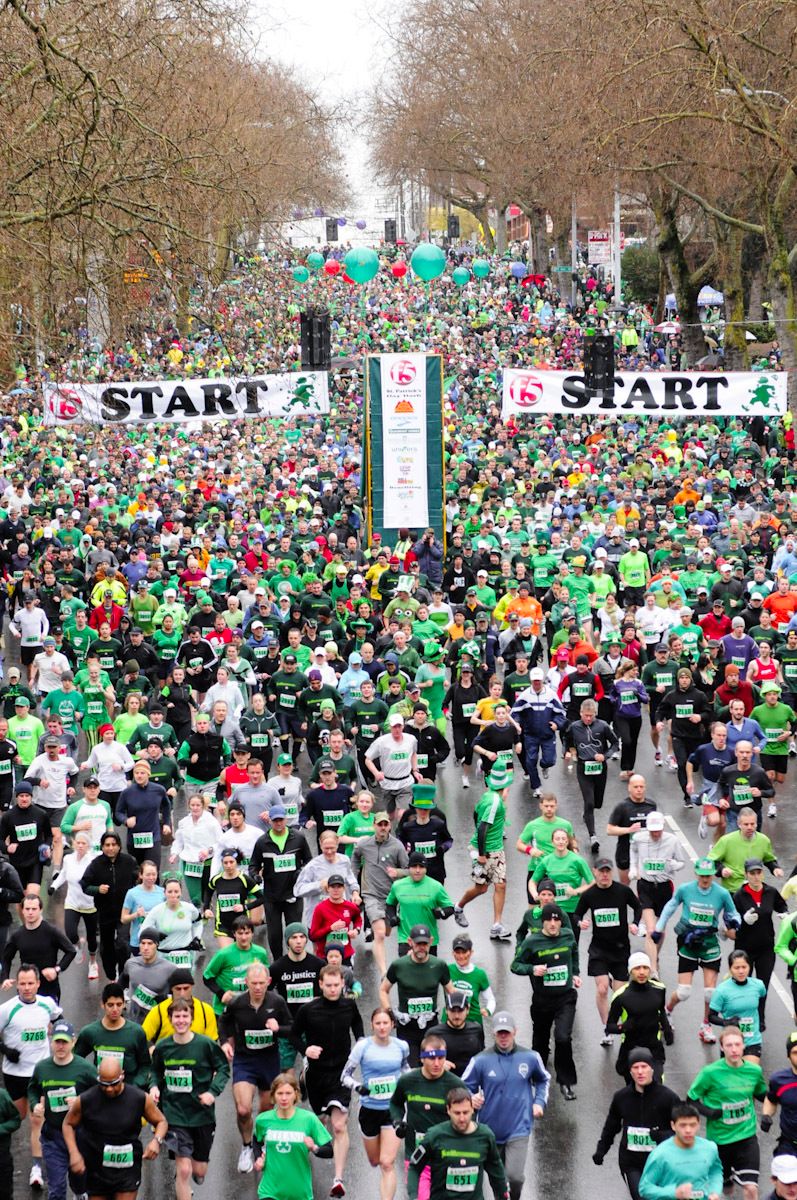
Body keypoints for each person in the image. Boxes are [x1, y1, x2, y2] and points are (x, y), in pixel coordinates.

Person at [290, 962, 365, 1199]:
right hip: (316, 1074)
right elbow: (293, 1035)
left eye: (337, 985)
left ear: (343, 984)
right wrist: (306, 1049)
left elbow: (358, 1026)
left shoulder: (349, 1005)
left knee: (340, 1125)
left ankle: (338, 1179)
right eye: (328, 985)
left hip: (341, 1074)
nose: (333, 989)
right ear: (320, 984)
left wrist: (362, 1044)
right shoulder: (308, 1009)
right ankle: (309, 1147)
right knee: (320, 1120)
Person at [461, 1010, 549, 1200]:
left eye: (506, 1033)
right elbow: (461, 1087)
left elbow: (543, 1080)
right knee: (497, 1179)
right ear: (493, 1033)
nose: (503, 1037)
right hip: (490, 1129)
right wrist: (471, 1098)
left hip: (519, 1127)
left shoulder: (530, 1057)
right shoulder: (480, 1060)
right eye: (500, 1033)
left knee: (514, 1177)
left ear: (514, 1032)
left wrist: (539, 1102)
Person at [149, 997, 230, 1200]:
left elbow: (223, 1068)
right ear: (170, 1018)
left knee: (199, 1171)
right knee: (183, 1169)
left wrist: (212, 1092)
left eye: (185, 1016)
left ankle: (198, 1169)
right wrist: (153, 1087)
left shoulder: (205, 1045)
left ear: (191, 1018)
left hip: (202, 1115)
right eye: (177, 1016)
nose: (181, 1020)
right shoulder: (163, 1047)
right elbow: (155, 1072)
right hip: (174, 1114)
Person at [653, 857, 740, 1043]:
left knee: (710, 992)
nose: (705, 879)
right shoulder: (685, 889)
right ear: (696, 874)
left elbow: (733, 913)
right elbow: (670, 907)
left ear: (712, 875)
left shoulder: (722, 893)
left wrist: (735, 922)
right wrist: (658, 927)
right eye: (702, 875)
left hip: (709, 942)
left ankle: (706, 1025)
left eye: (708, 876)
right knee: (684, 991)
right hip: (689, 941)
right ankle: (667, 1010)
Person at [218, 961, 292, 1172]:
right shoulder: (237, 1003)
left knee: (266, 1110)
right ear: (246, 982)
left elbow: (292, 1027)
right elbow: (223, 1022)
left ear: (268, 982)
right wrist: (225, 1042)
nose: (258, 987)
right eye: (254, 983)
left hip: (269, 1061)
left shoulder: (277, 1002)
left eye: (262, 983)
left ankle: (260, 1145)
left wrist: (279, 1028)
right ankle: (246, 1146)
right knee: (243, 1109)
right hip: (245, 1060)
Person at [62, 1055, 168, 1200]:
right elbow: (67, 1124)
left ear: (122, 1075)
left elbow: (161, 1121)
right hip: (97, 1169)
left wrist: (156, 1141)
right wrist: (74, 1153)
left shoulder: (138, 1098)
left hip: (127, 1169)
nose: (109, 1089)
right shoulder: (86, 1100)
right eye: (104, 1084)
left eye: (114, 1083)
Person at [687, 1025, 767, 1200]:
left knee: (751, 1187)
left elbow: (763, 1094)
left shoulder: (754, 1071)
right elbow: (690, 1099)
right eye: (729, 1045)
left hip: (747, 1136)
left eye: (737, 1044)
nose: (734, 1049)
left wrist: (781, 1097)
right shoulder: (710, 1073)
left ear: (743, 1046)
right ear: (722, 1047)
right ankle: (727, 1183)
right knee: (726, 1188)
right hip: (720, 1140)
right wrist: (709, 1112)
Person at [0, 964, 62, 1188]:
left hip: (39, 1073)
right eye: (22, 984)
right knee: (17, 1119)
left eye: (30, 983)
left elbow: (59, 1018)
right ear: (17, 984)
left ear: (38, 983)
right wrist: (6, 1050)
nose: (26, 988)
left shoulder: (47, 1003)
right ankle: (5, 1159)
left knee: (38, 1119)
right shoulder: (7, 1009)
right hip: (14, 1073)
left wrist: (58, 1035)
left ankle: (36, 1168)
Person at [510, 903, 580, 1100]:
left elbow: (574, 952)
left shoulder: (567, 935)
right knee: (540, 1040)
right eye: (549, 919)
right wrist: (532, 969)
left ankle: (566, 1082)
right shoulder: (532, 941)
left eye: (556, 919)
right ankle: (538, 1075)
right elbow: (515, 965)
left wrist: (575, 973)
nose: (552, 923)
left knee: (563, 1037)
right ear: (543, 922)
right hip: (542, 999)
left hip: (565, 997)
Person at [593, 1046, 680, 1200]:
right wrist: (601, 1149)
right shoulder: (621, 1097)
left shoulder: (668, 1097)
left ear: (652, 1069)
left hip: (659, 1162)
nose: (640, 1072)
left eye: (644, 1067)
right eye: (635, 1067)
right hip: (631, 1163)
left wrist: (661, 1135)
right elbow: (611, 1126)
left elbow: (683, 1129)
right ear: (630, 1071)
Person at [342, 1008, 410, 1200]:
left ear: (392, 1024)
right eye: (378, 1023)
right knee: (374, 1160)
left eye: (385, 1023)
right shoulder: (363, 1047)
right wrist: (358, 1087)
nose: (382, 1027)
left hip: (393, 1110)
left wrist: (411, 1084)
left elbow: (405, 1068)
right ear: (372, 1025)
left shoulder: (401, 1046)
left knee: (387, 1162)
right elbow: (345, 1076)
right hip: (369, 1110)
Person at [389, 1033, 464, 1200]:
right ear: (422, 1058)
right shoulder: (408, 1081)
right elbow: (395, 1103)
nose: (437, 1064)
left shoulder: (455, 1085)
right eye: (431, 1058)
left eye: (441, 1058)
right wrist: (397, 1121)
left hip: (445, 1156)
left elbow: (467, 1117)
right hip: (416, 1155)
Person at [28, 1019, 95, 1200]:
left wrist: (82, 1101)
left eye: (65, 1042)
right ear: (51, 1042)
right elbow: (33, 1088)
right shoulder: (42, 1068)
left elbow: (101, 1095)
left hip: (79, 1134)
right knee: (56, 1188)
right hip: (53, 1136)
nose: (61, 1046)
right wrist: (36, 1105)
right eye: (57, 1041)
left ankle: (80, 1193)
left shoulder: (86, 1069)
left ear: (73, 1042)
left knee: (79, 1183)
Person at [575, 857, 642, 1037]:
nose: (604, 875)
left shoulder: (623, 891)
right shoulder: (589, 894)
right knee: (603, 988)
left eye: (607, 871)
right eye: (601, 871)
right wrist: (581, 922)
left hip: (620, 949)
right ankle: (607, 1027)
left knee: (619, 993)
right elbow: (576, 914)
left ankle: (617, 1022)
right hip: (599, 950)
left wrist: (635, 923)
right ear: (594, 872)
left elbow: (637, 907)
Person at [406, 1085, 508, 1200]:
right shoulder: (434, 1136)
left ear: (472, 1109)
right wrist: (414, 1196)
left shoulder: (485, 1136)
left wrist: (503, 1194)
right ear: (448, 1110)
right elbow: (414, 1167)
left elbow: (496, 1172)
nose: (462, 1118)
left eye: (466, 1112)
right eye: (457, 1113)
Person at [453, 765, 512, 941]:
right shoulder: (494, 802)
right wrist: (481, 853)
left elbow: (475, 814)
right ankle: (459, 907)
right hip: (486, 851)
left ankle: (497, 925)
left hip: (497, 849)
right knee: (482, 888)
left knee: (500, 884)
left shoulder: (489, 797)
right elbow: (483, 826)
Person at [252, 1072, 333, 1200]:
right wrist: (258, 1158)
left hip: (299, 1192)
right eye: (280, 1093)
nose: (284, 1098)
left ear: (296, 1094)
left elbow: (330, 1151)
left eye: (288, 1093)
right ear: (273, 1095)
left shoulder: (308, 1119)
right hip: (270, 1191)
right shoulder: (263, 1120)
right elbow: (257, 1140)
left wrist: (314, 1148)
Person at [380, 926, 453, 1066]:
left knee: (432, 1066)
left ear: (431, 942)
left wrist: (452, 1015)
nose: (421, 947)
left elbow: (451, 991)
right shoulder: (399, 965)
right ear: (410, 942)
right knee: (411, 1069)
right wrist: (389, 1012)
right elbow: (383, 990)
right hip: (407, 1027)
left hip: (431, 1027)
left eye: (424, 944)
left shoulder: (439, 965)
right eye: (418, 943)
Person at [250, 804, 313, 958]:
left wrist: (300, 872)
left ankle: (295, 960)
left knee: (295, 932)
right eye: (275, 820)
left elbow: (309, 862)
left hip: (293, 894)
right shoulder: (262, 842)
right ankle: (278, 961)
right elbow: (253, 865)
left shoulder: (298, 837)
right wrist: (255, 876)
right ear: (270, 821)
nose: (278, 823)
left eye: (281, 820)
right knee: (274, 934)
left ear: (286, 819)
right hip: (272, 896)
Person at [352, 811, 409, 977]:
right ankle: (384, 972)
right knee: (380, 933)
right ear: (374, 826)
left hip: (391, 897)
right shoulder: (364, 844)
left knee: (386, 932)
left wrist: (397, 872)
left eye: (386, 824)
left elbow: (409, 870)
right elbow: (355, 858)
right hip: (370, 894)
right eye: (380, 824)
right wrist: (354, 877)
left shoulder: (397, 846)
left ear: (390, 826)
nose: (383, 828)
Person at [629, 811, 686, 973]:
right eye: (652, 830)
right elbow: (632, 850)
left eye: (658, 830)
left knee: (659, 930)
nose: (655, 833)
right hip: (645, 886)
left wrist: (671, 865)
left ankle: (655, 956)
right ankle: (652, 969)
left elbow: (682, 862)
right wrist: (634, 868)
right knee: (650, 929)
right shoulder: (639, 838)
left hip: (664, 887)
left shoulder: (672, 840)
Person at [81, 832, 140, 982]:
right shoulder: (96, 864)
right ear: (102, 847)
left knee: (123, 944)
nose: (111, 848)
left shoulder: (129, 861)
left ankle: (123, 976)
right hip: (104, 912)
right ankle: (111, 976)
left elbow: (138, 881)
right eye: (107, 845)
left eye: (114, 845)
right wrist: (97, 889)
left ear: (119, 846)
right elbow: (84, 885)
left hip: (124, 912)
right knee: (107, 947)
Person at [563, 697, 619, 853]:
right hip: (583, 768)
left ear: (595, 713)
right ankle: (593, 836)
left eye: (591, 715)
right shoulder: (574, 727)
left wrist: (605, 756)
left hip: (600, 768)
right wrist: (567, 752)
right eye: (585, 715)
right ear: (580, 713)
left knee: (597, 803)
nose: (588, 718)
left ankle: (587, 814)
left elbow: (615, 744)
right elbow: (566, 741)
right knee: (589, 802)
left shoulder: (603, 726)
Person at [606, 952, 673, 1082]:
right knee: (635, 1091)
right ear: (631, 971)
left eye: (645, 967)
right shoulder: (621, 996)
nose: (642, 972)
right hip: (631, 1048)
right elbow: (610, 1026)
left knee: (657, 1085)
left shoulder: (659, 989)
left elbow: (661, 1011)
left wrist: (667, 1028)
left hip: (653, 1047)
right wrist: (623, 1027)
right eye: (637, 968)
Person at [639, 1100, 723, 1200]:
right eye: (683, 1125)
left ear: (699, 1124)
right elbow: (644, 1188)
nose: (688, 1130)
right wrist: (674, 1193)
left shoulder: (709, 1148)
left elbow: (716, 1172)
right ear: (673, 1126)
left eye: (692, 1125)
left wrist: (714, 1191)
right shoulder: (660, 1154)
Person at [74, 982, 151, 1088]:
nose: (115, 1009)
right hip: (101, 1091)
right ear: (102, 1004)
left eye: (119, 1004)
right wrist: (89, 1082)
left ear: (124, 1004)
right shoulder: (90, 1032)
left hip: (129, 1092)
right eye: (110, 1005)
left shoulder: (136, 1032)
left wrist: (135, 1086)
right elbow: (75, 1060)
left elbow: (145, 1066)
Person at [0, 892, 75, 1000]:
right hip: (26, 989)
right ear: (22, 911)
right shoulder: (17, 935)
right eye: (27, 909)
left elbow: (71, 951)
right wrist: (5, 978)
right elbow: (6, 958)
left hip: (49, 989)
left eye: (34, 909)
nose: (30, 912)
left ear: (40, 910)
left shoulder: (51, 931)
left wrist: (56, 970)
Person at [385, 855, 454, 954]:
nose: (417, 870)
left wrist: (442, 913)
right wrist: (392, 917)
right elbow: (390, 904)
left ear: (426, 868)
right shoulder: (398, 886)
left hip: (429, 940)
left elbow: (450, 907)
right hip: (406, 939)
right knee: (406, 969)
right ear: (409, 868)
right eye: (414, 867)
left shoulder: (436, 886)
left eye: (421, 867)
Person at [202, 915, 270, 1015]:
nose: (244, 937)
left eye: (247, 933)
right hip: (225, 1009)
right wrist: (222, 994)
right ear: (234, 934)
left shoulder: (260, 953)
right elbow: (207, 977)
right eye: (240, 933)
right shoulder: (224, 954)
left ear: (252, 933)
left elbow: (266, 978)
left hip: (250, 1008)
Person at [709, 949, 767, 1061]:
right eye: (736, 968)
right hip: (731, 1041)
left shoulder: (758, 985)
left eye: (744, 967)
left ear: (749, 967)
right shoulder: (722, 990)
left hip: (752, 1040)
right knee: (731, 1077)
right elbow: (711, 1016)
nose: (741, 971)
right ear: (730, 969)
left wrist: (761, 1020)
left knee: (750, 1075)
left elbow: (761, 1001)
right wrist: (727, 1022)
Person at [141, 968, 219, 1044]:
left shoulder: (206, 1011)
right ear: (172, 989)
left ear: (192, 987)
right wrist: (151, 1048)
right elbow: (141, 1038)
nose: (182, 993)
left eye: (186, 988)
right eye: (178, 989)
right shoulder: (158, 1011)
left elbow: (212, 1043)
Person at [118, 928, 174, 1024]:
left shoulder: (169, 969)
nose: (145, 947)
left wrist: (164, 998)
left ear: (157, 945)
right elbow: (121, 983)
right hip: (134, 1022)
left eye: (150, 943)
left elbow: (179, 996)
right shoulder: (131, 964)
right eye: (143, 943)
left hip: (157, 1023)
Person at [426, 990, 485, 1076]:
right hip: (444, 1082)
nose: (456, 1016)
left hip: (470, 1084)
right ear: (446, 1010)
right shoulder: (434, 1034)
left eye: (460, 1011)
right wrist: (439, 1064)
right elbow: (423, 1062)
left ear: (467, 1010)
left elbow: (481, 1057)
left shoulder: (476, 1030)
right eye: (453, 1011)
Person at [762, 1034, 797, 1155]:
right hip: (789, 1145)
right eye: (795, 1052)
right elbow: (771, 1100)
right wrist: (766, 1115)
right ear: (788, 1055)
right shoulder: (779, 1080)